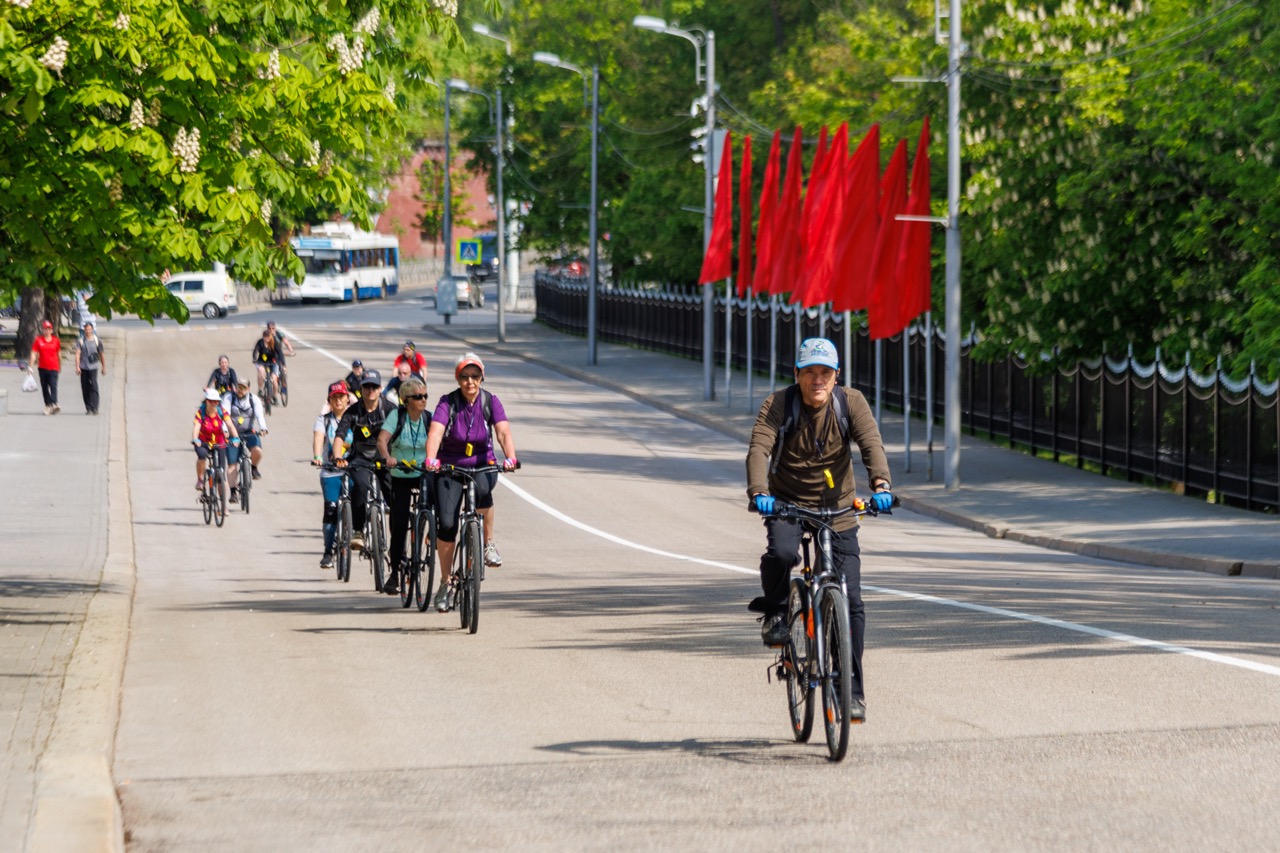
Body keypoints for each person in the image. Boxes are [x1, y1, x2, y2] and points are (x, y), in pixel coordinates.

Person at [745, 337, 893, 725]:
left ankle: (851, 693)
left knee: (853, 602)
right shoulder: (779, 404)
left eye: (825, 373)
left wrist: (881, 486)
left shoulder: (851, 402)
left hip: (839, 507)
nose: (817, 380)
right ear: (796, 374)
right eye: (809, 372)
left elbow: (871, 443)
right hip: (788, 503)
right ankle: (777, 610)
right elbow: (760, 447)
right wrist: (759, 491)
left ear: (836, 376)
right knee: (782, 554)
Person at [424, 353, 518, 611]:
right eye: (464, 377)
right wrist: (431, 458)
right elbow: (435, 432)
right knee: (447, 523)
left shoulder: (490, 401)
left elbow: (503, 431)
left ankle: (488, 544)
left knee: (484, 488)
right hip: (449, 466)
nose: (470, 382)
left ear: (482, 378)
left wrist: (510, 457)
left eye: (475, 377)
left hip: (482, 463)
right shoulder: (448, 403)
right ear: (458, 378)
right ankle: (444, 583)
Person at [377, 376, 432, 594]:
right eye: (418, 397)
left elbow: (439, 441)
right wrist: (387, 457)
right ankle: (395, 573)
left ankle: (431, 530)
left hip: (422, 472)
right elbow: (382, 440)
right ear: (405, 400)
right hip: (400, 473)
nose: (423, 400)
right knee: (399, 524)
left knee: (435, 495)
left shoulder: (428, 418)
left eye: (425, 396)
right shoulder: (396, 416)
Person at [332, 368, 393, 560]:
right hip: (361, 458)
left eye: (374, 387)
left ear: (380, 388)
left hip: (385, 458)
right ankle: (358, 531)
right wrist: (337, 457)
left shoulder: (390, 409)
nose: (371, 390)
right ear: (361, 388)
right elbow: (340, 436)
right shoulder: (353, 412)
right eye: (367, 387)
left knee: (395, 497)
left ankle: (397, 541)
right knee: (360, 486)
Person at [313, 380, 353, 569]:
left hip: (353, 469)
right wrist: (317, 456)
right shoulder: (324, 419)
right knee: (330, 509)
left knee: (361, 500)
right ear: (329, 400)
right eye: (334, 397)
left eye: (341, 396)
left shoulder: (356, 417)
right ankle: (328, 551)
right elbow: (318, 438)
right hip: (331, 471)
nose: (338, 400)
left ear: (347, 398)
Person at [221, 375, 267, 499]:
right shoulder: (228, 398)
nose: (240, 390)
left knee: (257, 450)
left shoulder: (254, 399)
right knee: (232, 465)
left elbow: (259, 415)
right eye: (238, 387)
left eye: (243, 388)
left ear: (248, 389)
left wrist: (263, 428)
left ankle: (253, 467)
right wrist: (225, 430)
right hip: (232, 435)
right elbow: (225, 415)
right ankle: (233, 492)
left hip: (248, 432)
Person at [192, 387, 239, 490]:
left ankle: (222, 504)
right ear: (207, 401)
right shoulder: (201, 412)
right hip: (203, 442)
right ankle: (200, 479)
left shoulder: (222, 412)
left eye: (216, 401)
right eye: (211, 401)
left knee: (221, 473)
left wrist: (236, 438)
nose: (214, 403)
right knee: (202, 455)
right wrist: (196, 439)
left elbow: (230, 425)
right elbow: (197, 427)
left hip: (219, 442)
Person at [28, 319, 62, 415]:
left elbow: (59, 354)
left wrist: (60, 365)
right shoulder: (39, 340)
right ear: (43, 330)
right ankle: (48, 405)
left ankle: (54, 403)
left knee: (53, 385)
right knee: (44, 387)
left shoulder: (56, 341)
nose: (47, 331)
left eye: (49, 329)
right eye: (45, 329)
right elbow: (34, 353)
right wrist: (30, 367)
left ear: (51, 330)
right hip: (42, 368)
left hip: (54, 367)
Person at [73, 320, 105, 415]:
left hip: (94, 367)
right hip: (84, 367)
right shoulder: (81, 341)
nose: (88, 331)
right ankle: (88, 407)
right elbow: (77, 354)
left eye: (89, 329)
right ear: (84, 330)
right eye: (86, 329)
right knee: (85, 387)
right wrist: (77, 366)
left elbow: (101, 354)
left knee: (94, 386)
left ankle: (95, 407)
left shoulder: (97, 341)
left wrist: (104, 366)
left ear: (92, 330)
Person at [252, 329, 282, 400]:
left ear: (271, 336)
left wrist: (281, 362)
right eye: (265, 336)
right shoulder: (260, 342)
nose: (266, 338)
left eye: (268, 336)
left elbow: (279, 353)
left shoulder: (274, 343)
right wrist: (255, 358)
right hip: (262, 362)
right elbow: (256, 350)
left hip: (273, 363)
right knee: (261, 372)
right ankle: (260, 389)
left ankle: (274, 397)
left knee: (274, 380)